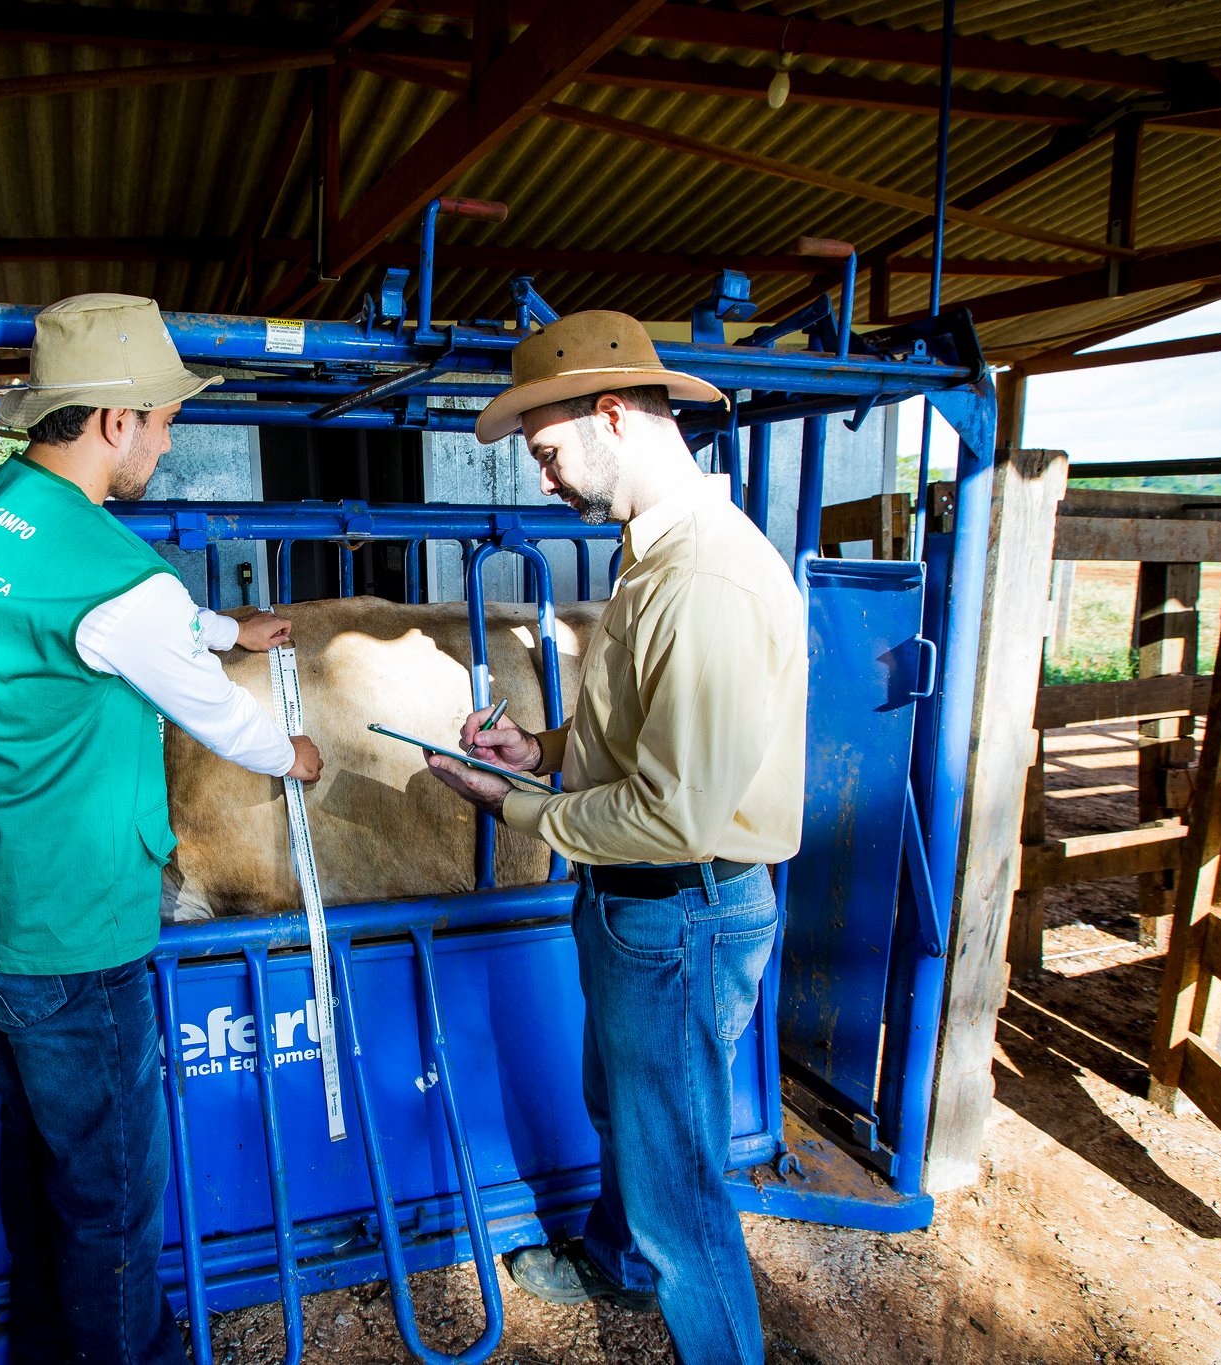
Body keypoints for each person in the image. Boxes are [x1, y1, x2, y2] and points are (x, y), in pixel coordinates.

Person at [0, 293, 323, 1365]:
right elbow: (212, 710)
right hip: (62, 934)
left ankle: (42, 1343)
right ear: (115, 422)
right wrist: (293, 755)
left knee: (38, 1153)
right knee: (112, 1195)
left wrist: (224, 627)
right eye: (165, 418)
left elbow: (123, 627)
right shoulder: (119, 576)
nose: (168, 440)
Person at [422, 310, 806, 1365]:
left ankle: (705, 1329)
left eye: (546, 452)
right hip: (642, 902)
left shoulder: (703, 582)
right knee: (626, 1107)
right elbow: (628, 746)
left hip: (680, 900)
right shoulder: (653, 560)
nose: (543, 479)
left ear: (609, 417)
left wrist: (507, 808)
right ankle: (620, 1267)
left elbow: (673, 810)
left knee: (678, 1178)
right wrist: (533, 751)